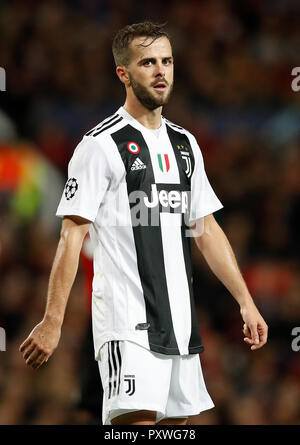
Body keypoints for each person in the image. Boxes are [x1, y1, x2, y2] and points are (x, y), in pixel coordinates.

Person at [20, 21, 268, 426]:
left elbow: (205, 230)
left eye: (167, 61)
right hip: (126, 324)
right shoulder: (99, 146)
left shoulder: (186, 144)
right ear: (123, 73)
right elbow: (71, 237)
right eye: (148, 62)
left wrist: (245, 301)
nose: (160, 71)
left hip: (181, 325)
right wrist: (52, 321)